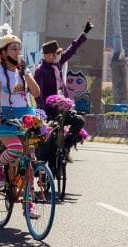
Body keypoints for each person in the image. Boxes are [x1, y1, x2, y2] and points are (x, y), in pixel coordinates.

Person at [0, 29, 40, 188]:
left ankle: (29, 200)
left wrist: (25, 72)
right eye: (13, 48)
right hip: (4, 118)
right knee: (16, 148)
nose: (18, 52)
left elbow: (36, 92)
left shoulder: (23, 71)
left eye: (19, 48)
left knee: (29, 159)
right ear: (3, 53)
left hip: (25, 116)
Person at [34, 17, 93, 150]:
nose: (55, 56)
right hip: (48, 110)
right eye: (52, 54)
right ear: (46, 55)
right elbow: (38, 94)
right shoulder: (40, 71)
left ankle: (66, 146)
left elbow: (72, 49)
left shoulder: (58, 63)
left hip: (63, 108)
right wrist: (43, 112)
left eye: (55, 54)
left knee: (79, 121)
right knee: (48, 140)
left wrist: (85, 32)